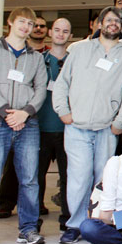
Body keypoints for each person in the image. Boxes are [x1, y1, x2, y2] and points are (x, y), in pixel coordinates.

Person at [53, 6, 122, 244]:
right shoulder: (79, 50)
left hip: (106, 129)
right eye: (108, 20)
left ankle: (97, 223)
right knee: (78, 178)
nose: (113, 24)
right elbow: (62, 84)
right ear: (99, 24)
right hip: (77, 127)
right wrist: (63, 111)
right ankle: (75, 225)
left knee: (103, 179)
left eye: (117, 21)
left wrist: (120, 122)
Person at [0, 7, 48, 244]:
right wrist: (5, 112)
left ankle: (28, 229)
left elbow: (41, 88)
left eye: (30, 24)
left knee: (30, 179)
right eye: (22, 22)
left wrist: (25, 112)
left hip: (27, 123)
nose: (26, 27)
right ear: (10, 22)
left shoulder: (36, 58)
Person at [37, 18, 73, 228]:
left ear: (70, 36)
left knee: (67, 176)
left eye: (65, 31)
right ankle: (33, 221)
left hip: (67, 128)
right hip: (40, 127)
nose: (61, 34)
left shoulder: (74, 60)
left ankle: (67, 219)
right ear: (50, 32)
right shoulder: (38, 59)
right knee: (36, 177)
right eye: (57, 30)